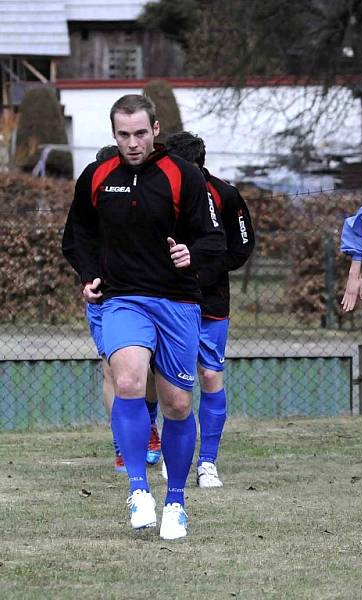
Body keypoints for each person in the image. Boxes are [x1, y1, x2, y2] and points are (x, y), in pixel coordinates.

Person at [62, 94, 225, 540]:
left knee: (177, 405)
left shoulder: (184, 176)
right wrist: (90, 273)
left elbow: (215, 240)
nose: (132, 143)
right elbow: (78, 234)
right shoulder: (97, 176)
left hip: (176, 301)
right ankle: (138, 489)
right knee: (129, 382)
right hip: (123, 299)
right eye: (123, 135)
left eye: (139, 133)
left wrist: (192, 254)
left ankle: (175, 500)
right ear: (113, 134)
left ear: (155, 129)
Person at [164, 131, 256, 488]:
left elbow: (242, 246)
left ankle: (207, 463)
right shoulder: (160, 192)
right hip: (169, 298)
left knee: (210, 376)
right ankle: (161, 450)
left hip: (211, 300)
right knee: (166, 380)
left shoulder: (226, 195)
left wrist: (207, 271)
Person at [66, 146, 162, 473]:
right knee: (112, 370)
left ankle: (147, 425)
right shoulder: (92, 199)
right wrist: (88, 276)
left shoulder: (146, 197)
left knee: (143, 370)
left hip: (142, 296)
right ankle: (122, 443)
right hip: (103, 298)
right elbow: (73, 242)